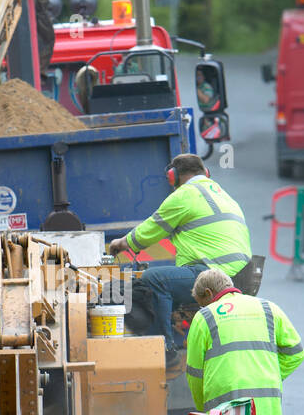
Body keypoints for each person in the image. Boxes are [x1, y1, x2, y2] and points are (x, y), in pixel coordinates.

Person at [108, 153, 255, 365]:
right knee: (168, 283)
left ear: (173, 176)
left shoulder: (185, 195)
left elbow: (150, 230)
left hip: (213, 274)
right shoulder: (223, 194)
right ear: (206, 173)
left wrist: (121, 244)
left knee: (153, 279)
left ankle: (164, 351)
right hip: (241, 274)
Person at [185, 267, 304, 415]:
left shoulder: (205, 317)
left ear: (208, 294)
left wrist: (204, 412)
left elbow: (195, 374)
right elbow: (296, 353)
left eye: (201, 303)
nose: (201, 308)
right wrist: (271, 375)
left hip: (225, 409)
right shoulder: (268, 308)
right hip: (266, 406)